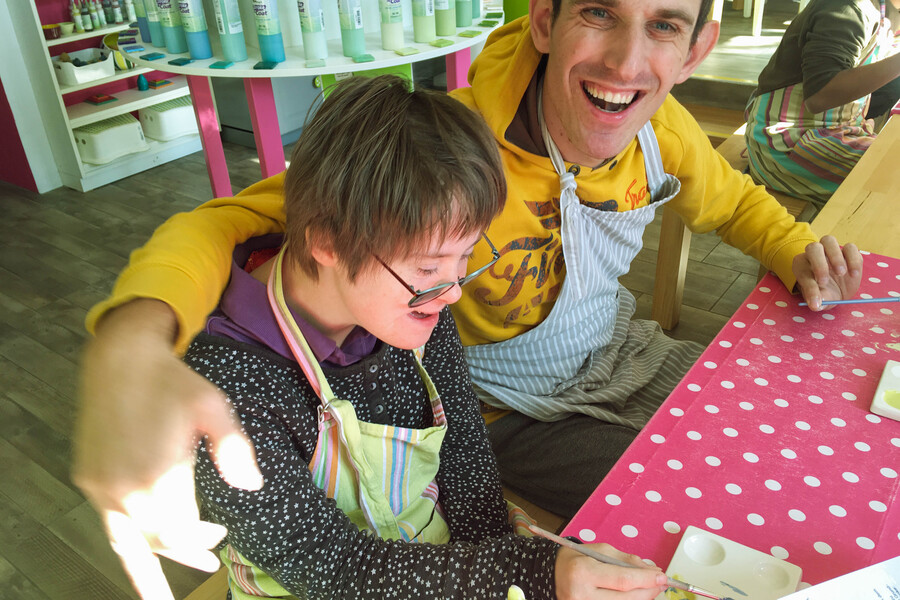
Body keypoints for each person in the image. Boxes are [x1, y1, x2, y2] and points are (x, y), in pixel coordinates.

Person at [74, 0, 864, 596]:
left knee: (769, 444)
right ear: (546, 20)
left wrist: (519, 571)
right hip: (472, 453)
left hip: (553, 423)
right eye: (599, 12)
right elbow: (333, 566)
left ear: (697, 48)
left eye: (663, 24)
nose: (628, 62)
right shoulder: (431, 167)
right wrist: (132, 338)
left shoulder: (421, 307)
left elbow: (470, 483)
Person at [745, 0, 900, 207]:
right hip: (787, 144)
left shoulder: (886, 9)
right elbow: (820, 95)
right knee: (891, 177)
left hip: (834, 132)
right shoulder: (846, 8)